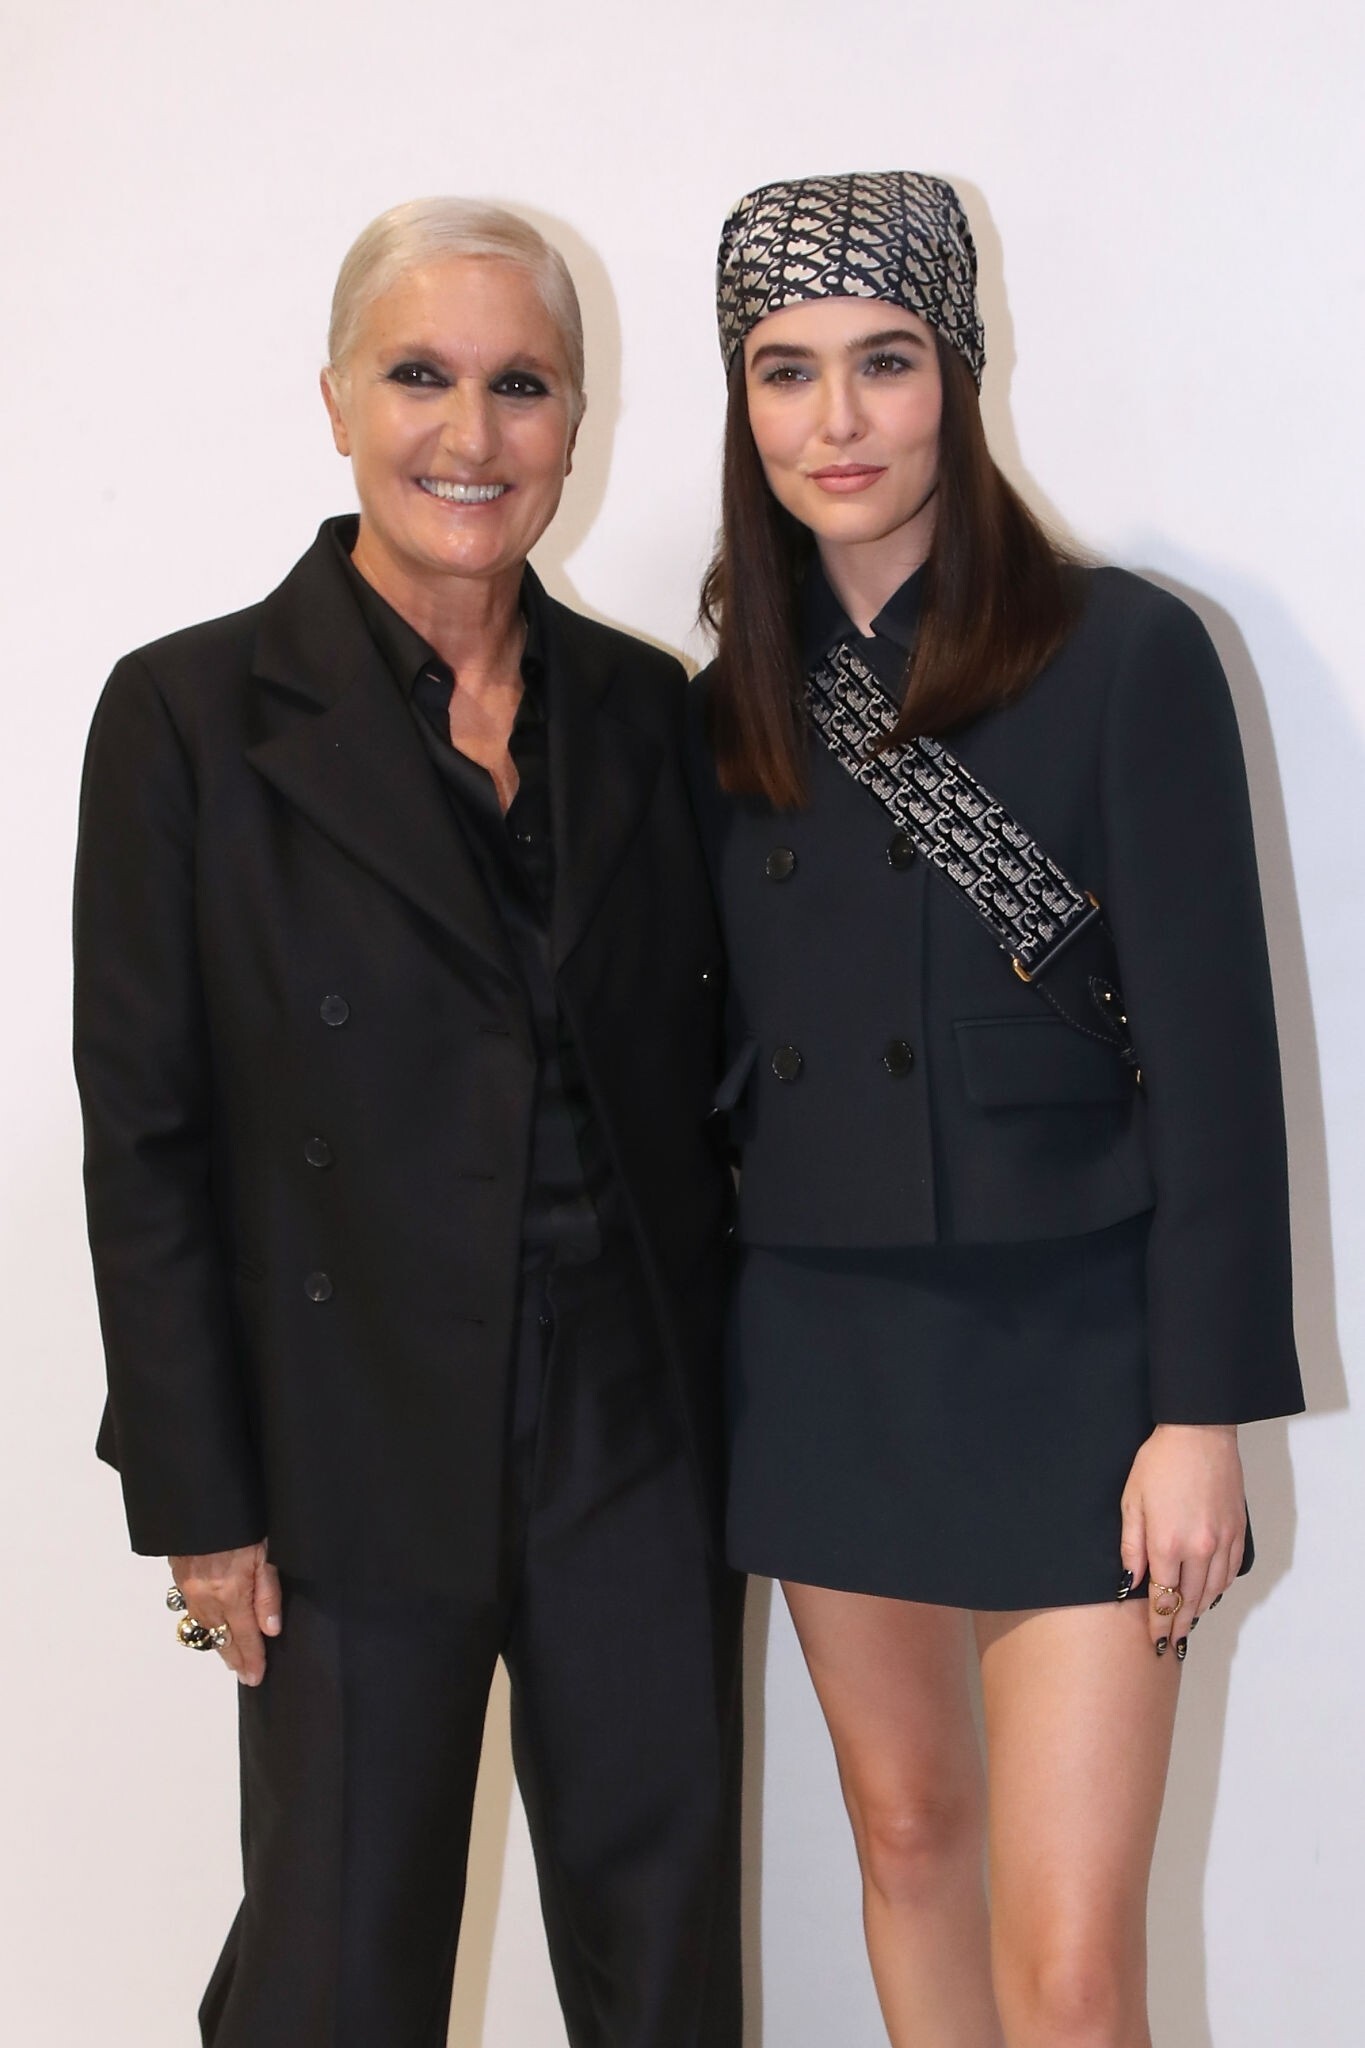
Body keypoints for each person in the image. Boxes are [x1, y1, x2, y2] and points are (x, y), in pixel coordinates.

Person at [73, 197, 743, 2048]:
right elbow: (145, 1138)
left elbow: (711, 1079)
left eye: (520, 386)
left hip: (630, 1429)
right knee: (335, 1978)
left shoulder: (647, 713)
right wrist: (199, 1498)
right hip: (341, 1434)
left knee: (665, 1966)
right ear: (336, 402)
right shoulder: (188, 716)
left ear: (577, 423)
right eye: (420, 376)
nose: (471, 433)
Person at [688, 170, 1304, 2048]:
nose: (838, 419)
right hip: (823, 1344)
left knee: (1073, 1959)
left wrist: (1198, 1411)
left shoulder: (1122, 652)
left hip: (1071, 1356)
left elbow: (1215, 1063)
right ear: (742, 403)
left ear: (957, 372)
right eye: (785, 371)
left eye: (884, 361)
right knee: (904, 1841)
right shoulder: (721, 713)